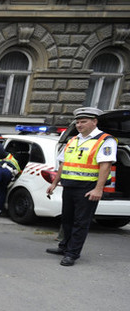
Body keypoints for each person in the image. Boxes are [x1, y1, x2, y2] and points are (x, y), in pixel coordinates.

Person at [46, 107, 117, 266]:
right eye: (77, 122)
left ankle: (72, 254)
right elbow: (63, 164)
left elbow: (105, 166)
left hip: (87, 188)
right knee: (67, 220)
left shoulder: (105, 140)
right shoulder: (73, 140)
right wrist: (54, 183)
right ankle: (64, 247)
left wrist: (99, 189)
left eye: (83, 121)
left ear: (94, 121)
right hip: (69, 186)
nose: (79, 125)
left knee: (80, 222)